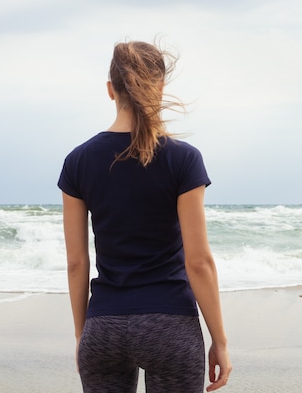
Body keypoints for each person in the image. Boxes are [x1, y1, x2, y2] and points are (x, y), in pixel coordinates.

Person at [58, 40, 231, 393]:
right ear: (161, 87)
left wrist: (82, 334)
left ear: (110, 90)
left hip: (103, 323)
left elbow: (77, 262)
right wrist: (221, 341)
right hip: (170, 326)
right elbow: (199, 262)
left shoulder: (78, 161)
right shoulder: (183, 159)